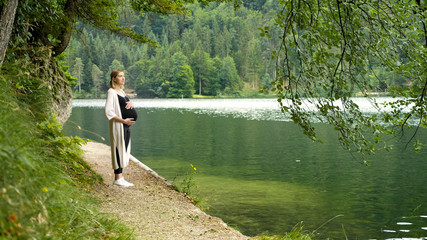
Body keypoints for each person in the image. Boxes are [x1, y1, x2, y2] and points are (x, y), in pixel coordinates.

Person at [105, 69, 138, 187]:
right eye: (120, 76)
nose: (123, 78)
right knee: (118, 149)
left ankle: (121, 177)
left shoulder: (122, 92)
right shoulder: (111, 92)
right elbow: (108, 111)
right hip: (118, 125)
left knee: (123, 149)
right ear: (114, 78)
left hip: (125, 125)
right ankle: (117, 178)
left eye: (123, 76)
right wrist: (123, 120)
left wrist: (132, 103)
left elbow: (125, 105)